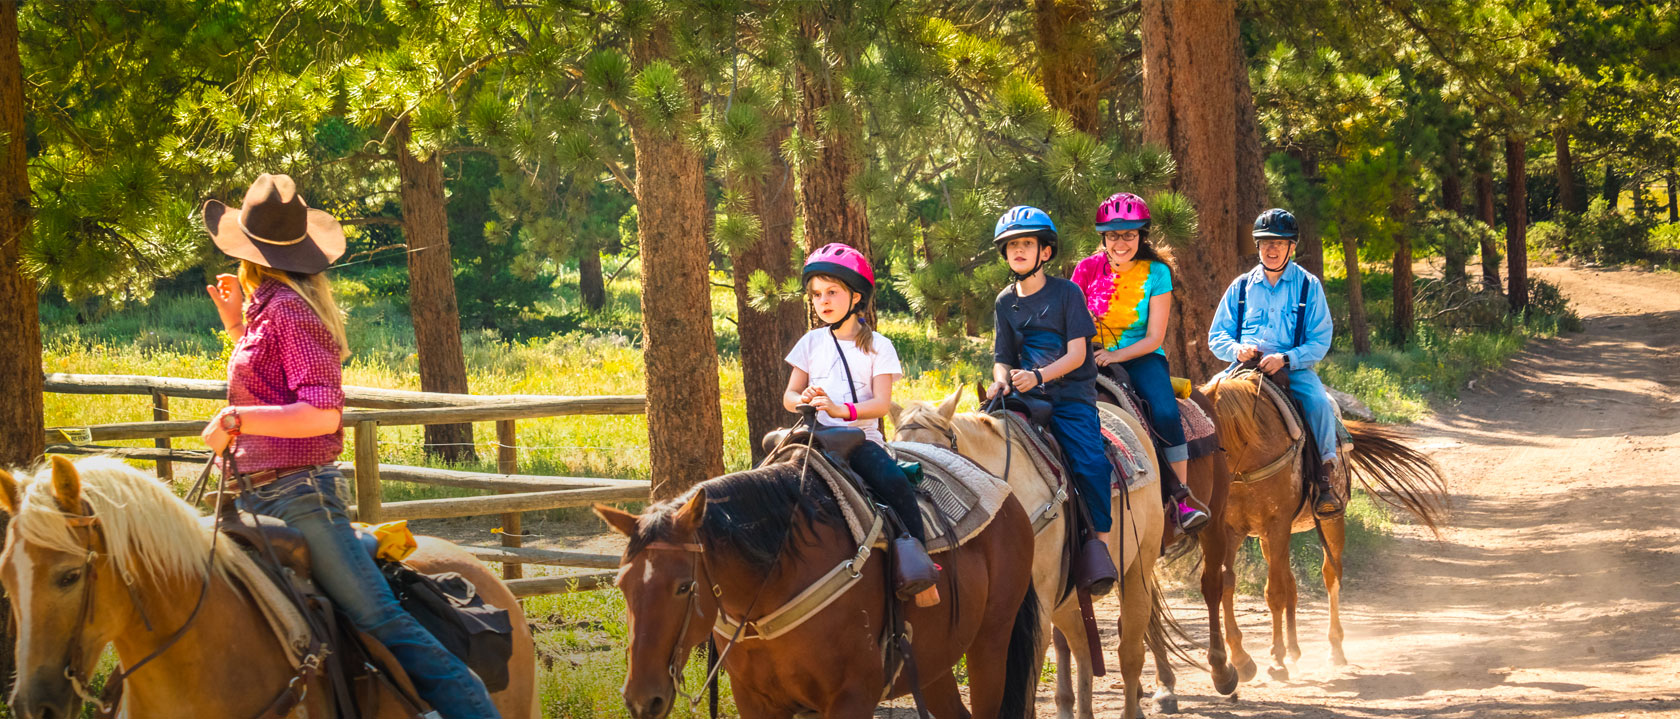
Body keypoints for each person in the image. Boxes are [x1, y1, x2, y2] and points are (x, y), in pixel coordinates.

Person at [198, 173, 500, 719]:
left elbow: (322, 415)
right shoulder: (266, 310)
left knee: (381, 618)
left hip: (297, 498)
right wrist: (234, 327)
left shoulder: (289, 314)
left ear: (248, 252)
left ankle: (472, 709)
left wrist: (235, 417)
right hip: (258, 497)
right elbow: (274, 382)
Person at [783, 243, 940, 604]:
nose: (822, 301)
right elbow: (788, 396)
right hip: (810, 439)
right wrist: (801, 400)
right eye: (817, 294)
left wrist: (841, 411)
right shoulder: (809, 342)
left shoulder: (879, 346)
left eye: (832, 292)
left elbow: (882, 405)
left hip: (859, 442)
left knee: (894, 483)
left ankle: (920, 569)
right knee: (763, 479)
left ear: (856, 297)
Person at [985, 206, 1120, 593]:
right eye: (1012, 246)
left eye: (1027, 244)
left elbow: (1078, 354)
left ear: (1045, 252)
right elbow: (1002, 358)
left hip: (1069, 395)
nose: (1019, 251)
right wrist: (1001, 382)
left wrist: (1040, 376)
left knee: (1091, 463)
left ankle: (1099, 548)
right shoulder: (1004, 301)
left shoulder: (1067, 293)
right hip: (1025, 394)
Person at [1070, 192, 1209, 533]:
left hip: (1142, 357)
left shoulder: (1157, 273)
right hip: (1088, 357)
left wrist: (1114, 356)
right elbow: (1070, 320)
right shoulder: (1086, 269)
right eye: (1114, 235)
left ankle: (1181, 499)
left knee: (1163, 412)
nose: (1121, 243)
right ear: (1103, 237)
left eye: (1129, 235)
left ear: (1141, 236)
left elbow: (1154, 337)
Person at [1207, 208, 1342, 517]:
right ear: (1257, 246)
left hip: (1292, 370)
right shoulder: (1240, 287)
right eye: (1265, 242)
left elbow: (1320, 339)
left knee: (1319, 403)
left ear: (1292, 248)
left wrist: (1286, 358)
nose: (1271, 249)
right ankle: (1198, 482)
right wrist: (1237, 349)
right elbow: (1217, 336)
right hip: (1242, 369)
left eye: (1279, 243)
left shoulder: (1309, 286)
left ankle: (1325, 480)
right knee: (1204, 401)